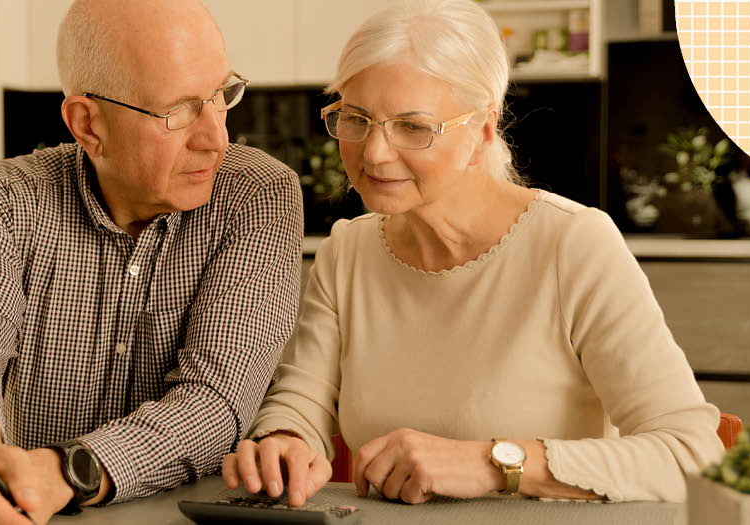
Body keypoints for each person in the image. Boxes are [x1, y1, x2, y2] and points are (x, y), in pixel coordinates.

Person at [222, 0, 724, 507]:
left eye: (413, 127)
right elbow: (301, 402)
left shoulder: (573, 244)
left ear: (484, 128)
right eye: (355, 119)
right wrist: (282, 441)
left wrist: (494, 463)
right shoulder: (347, 251)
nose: (373, 152)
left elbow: (691, 454)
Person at [0, 0, 304, 522]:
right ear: (87, 124)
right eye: (180, 110)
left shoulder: (258, 194)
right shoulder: (0, 201)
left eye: (220, 96)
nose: (217, 139)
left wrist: (63, 472)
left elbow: (215, 400)